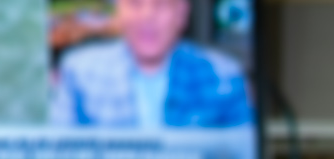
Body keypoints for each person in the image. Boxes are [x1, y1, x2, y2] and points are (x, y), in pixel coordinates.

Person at [48, 0, 251, 131]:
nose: (147, 17)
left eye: (161, 6)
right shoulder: (78, 71)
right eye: (136, 4)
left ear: (181, 14)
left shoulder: (225, 77)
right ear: (120, 11)